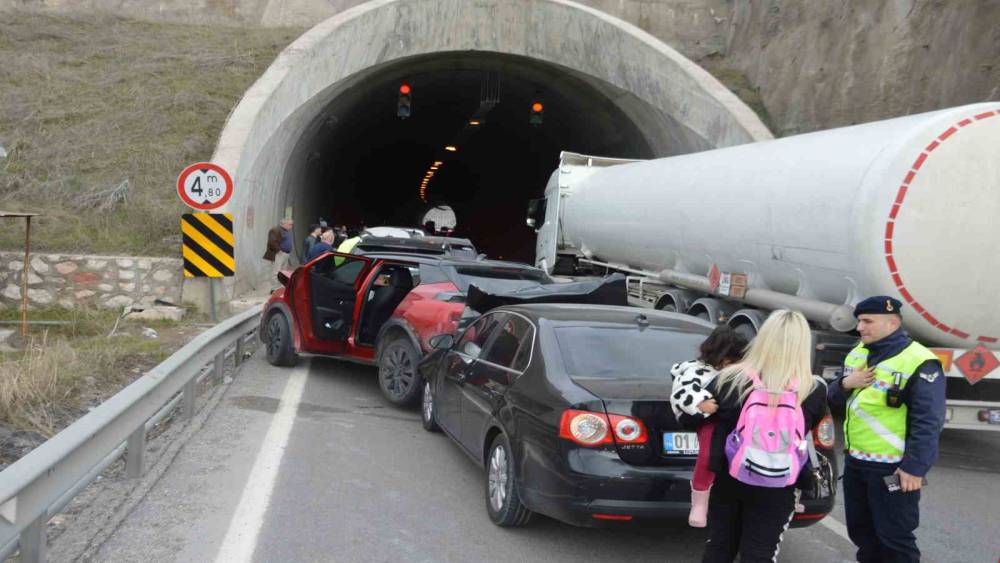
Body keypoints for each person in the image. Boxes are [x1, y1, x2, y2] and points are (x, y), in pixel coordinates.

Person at [701, 310, 829, 563]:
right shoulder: (813, 389)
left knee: (719, 547)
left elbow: (695, 416)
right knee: (759, 553)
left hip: (731, 475)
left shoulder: (730, 379)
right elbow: (807, 430)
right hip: (779, 483)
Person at [827, 296, 945, 563]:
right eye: (859, 321)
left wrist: (915, 467)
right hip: (857, 462)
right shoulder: (858, 353)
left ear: (892, 322)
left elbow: (929, 421)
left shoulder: (919, 361)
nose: (860, 327)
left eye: (868, 321)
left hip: (893, 468)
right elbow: (833, 400)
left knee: (895, 539)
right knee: (862, 534)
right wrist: (847, 383)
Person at [670, 325, 749, 528]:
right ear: (722, 356)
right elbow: (682, 392)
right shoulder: (693, 370)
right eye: (732, 360)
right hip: (710, 423)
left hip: (735, 424)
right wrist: (700, 403)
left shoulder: (739, 372)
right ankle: (699, 503)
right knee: (707, 456)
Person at [263, 218, 293, 288]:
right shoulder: (275, 230)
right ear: (283, 224)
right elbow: (272, 242)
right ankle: (274, 288)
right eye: (290, 224)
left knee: (283, 272)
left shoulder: (286, 231)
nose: (291, 226)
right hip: (278, 254)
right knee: (276, 272)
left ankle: (281, 287)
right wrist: (279, 251)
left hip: (285, 254)